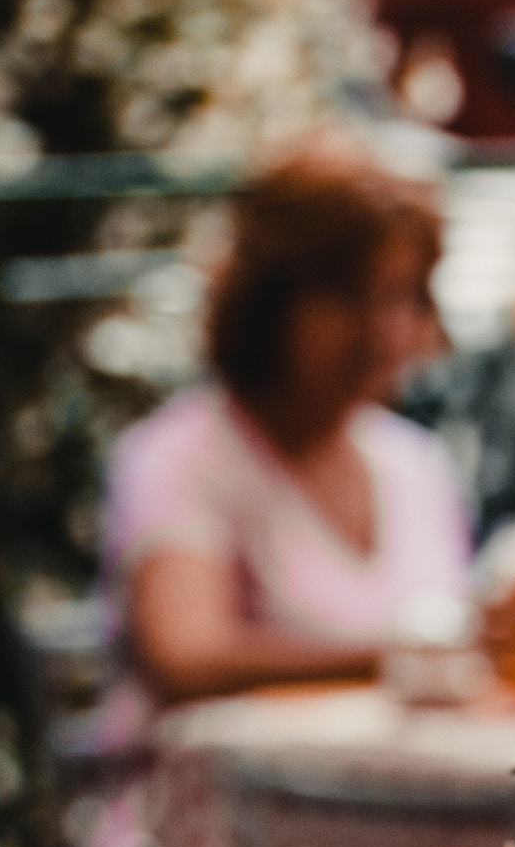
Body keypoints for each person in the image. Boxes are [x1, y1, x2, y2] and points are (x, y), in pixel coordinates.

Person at [104, 141, 476, 724]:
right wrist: (400, 659)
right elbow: (184, 660)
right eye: (346, 294)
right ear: (271, 300)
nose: (383, 329)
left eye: (401, 295)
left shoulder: (416, 462)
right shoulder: (179, 456)